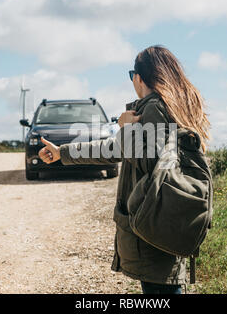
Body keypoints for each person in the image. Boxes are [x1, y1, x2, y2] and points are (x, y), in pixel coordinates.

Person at [38, 45, 210, 294]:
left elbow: (153, 163)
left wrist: (126, 127)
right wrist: (62, 152)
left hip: (155, 221)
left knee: (161, 291)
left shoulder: (155, 108)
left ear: (139, 77)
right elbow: (116, 149)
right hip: (166, 216)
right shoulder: (170, 106)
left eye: (132, 75)